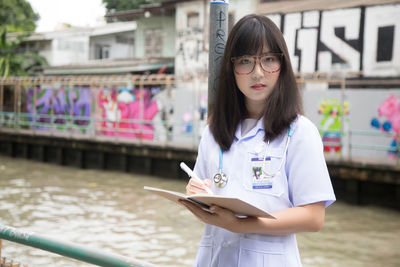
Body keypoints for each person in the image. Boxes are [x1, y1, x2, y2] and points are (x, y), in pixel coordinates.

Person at [179, 14, 336, 266]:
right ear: (232, 68)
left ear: (282, 65)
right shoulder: (213, 131)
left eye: (268, 59)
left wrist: (243, 226)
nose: (257, 72)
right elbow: (204, 189)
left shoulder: (300, 132)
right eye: (245, 61)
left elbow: (313, 217)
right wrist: (196, 193)